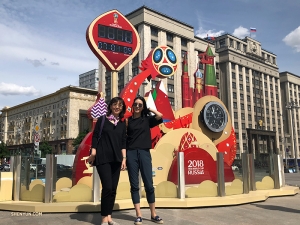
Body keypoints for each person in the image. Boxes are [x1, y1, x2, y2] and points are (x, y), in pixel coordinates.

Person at [88, 97, 127, 225]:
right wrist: (93, 152)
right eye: (115, 104)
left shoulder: (121, 123)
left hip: (117, 159)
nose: (117, 107)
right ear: (110, 106)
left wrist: (124, 159)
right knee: (107, 187)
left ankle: (109, 216)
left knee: (113, 188)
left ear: (122, 108)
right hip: (103, 158)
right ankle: (104, 218)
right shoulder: (102, 120)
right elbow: (95, 136)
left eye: (120, 105)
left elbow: (123, 142)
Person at [126, 96, 164, 225]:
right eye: (135, 104)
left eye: (140, 105)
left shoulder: (147, 120)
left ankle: (153, 214)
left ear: (143, 107)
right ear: (132, 106)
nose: (137, 106)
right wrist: (124, 157)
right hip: (131, 153)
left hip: (144, 152)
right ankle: (139, 215)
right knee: (134, 185)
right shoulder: (128, 121)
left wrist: (149, 109)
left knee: (149, 184)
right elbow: (124, 139)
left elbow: (160, 115)